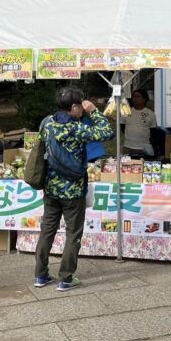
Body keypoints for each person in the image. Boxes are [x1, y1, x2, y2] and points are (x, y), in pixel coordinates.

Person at [34, 86, 113, 291]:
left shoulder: (47, 123)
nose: (82, 109)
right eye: (80, 105)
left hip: (51, 188)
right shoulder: (76, 128)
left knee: (47, 231)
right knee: (73, 233)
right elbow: (107, 132)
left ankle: (41, 275)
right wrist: (94, 111)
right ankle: (65, 278)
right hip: (73, 190)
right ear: (74, 107)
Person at [120, 89, 158, 157]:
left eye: (138, 96)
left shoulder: (151, 114)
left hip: (144, 148)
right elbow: (122, 126)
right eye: (134, 96)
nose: (135, 99)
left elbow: (153, 132)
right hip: (128, 146)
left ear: (144, 99)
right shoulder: (126, 111)